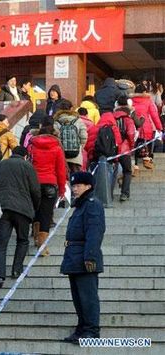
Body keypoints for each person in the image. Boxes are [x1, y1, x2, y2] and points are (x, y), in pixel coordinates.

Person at [61, 172, 105, 343]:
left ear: (88, 186)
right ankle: (82, 328)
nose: (74, 189)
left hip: (84, 257)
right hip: (74, 258)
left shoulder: (92, 205)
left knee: (88, 297)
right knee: (79, 298)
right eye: (73, 186)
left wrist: (90, 257)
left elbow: (94, 232)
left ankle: (91, 330)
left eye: (78, 185)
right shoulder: (81, 206)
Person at [0, 146, 41, 288]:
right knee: (22, 240)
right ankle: (16, 270)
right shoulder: (27, 166)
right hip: (23, 209)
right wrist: (34, 207)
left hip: (2, 208)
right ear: (25, 156)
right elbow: (35, 190)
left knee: (1, 244)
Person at [28, 116, 67, 256]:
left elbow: (29, 165)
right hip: (51, 183)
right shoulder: (56, 148)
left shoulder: (32, 146)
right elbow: (61, 170)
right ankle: (42, 245)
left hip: (34, 183)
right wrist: (62, 189)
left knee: (37, 210)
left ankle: (35, 235)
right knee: (46, 213)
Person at [132, 83, 163, 169]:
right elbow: (154, 115)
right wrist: (159, 127)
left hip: (134, 126)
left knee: (134, 145)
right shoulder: (148, 101)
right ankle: (147, 159)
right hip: (146, 126)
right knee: (147, 143)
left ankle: (135, 165)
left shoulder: (130, 101)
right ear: (144, 92)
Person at [54, 100, 88, 174]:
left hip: (61, 156)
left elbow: (55, 138)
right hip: (76, 156)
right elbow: (84, 136)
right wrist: (80, 148)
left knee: (64, 179)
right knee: (76, 179)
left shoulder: (56, 121)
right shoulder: (78, 120)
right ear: (71, 108)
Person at [113, 97, 137, 202]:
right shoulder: (128, 119)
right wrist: (131, 146)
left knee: (112, 171)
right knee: (127, 171)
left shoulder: (111, 118)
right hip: (125, 149)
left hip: (112, 149)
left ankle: (108, 193)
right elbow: (131, 134)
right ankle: (125, 194)